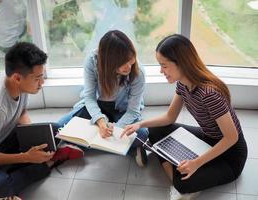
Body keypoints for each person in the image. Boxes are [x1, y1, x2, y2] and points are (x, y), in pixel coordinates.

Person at [121, 34, 248, 199]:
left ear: (181, 63)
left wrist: (196, 163)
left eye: (164, 66)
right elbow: (169, 117)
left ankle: (179, 183)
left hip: (230, 156)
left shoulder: (209, 94)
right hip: (207, 137)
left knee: (184, 182)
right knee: (154, 130)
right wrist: (140, 124)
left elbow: (231, 137)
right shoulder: (183, 84)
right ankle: (179, 177)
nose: (161, 71)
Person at [0, 42, 84, 200]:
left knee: (56, 129)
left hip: (0, 136)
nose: (42, 83)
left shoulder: (18, 83)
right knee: (1, 185)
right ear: (17, 78)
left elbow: (21, 110)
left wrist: (32, 137)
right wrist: (26, 156)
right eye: (37, 78)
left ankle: (23, 164)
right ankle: (47, 163)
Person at [55, 30, 149, 167]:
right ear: (108, 61)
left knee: (142, 133)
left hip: (123, 110)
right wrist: (100, 121)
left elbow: (133, 111)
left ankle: (82, 144)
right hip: (96, 106)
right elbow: (89, 97)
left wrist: (116, 128)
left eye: (131, 59)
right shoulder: (92, 61)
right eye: (122, 63)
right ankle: (126, 147)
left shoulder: (138, 72)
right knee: (58, 128)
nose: (129, 66)